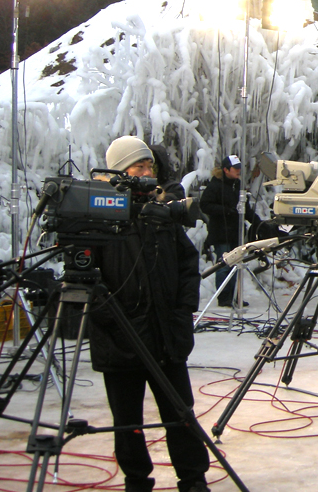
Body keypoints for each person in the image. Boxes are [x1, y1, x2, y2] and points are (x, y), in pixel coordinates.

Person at [92, 136, 210, 492]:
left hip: (166, 335)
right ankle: (136, 480)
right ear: (119, 171)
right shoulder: (98, 214)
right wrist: (111, 320)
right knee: (127, 422)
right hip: (120, 339)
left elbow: (188, 264)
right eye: (138, 166)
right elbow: (85, 280)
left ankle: (193, 478)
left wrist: (183, 312)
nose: (146, 172)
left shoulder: (161, 211)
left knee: (181, 414)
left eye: (149, 166)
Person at [199, 154, 260, 307]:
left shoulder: (237, 185)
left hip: (236, 233)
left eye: (239, 168)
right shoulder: (215, 185)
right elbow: (204, 205)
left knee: (236, 265)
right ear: (226, 170)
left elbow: (245, 208)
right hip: (221, 233)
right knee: (224, 266)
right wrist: (225, 211)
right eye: (235, 168)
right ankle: (224, 297)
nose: (239, 170)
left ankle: (234, 296)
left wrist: (258, 223)